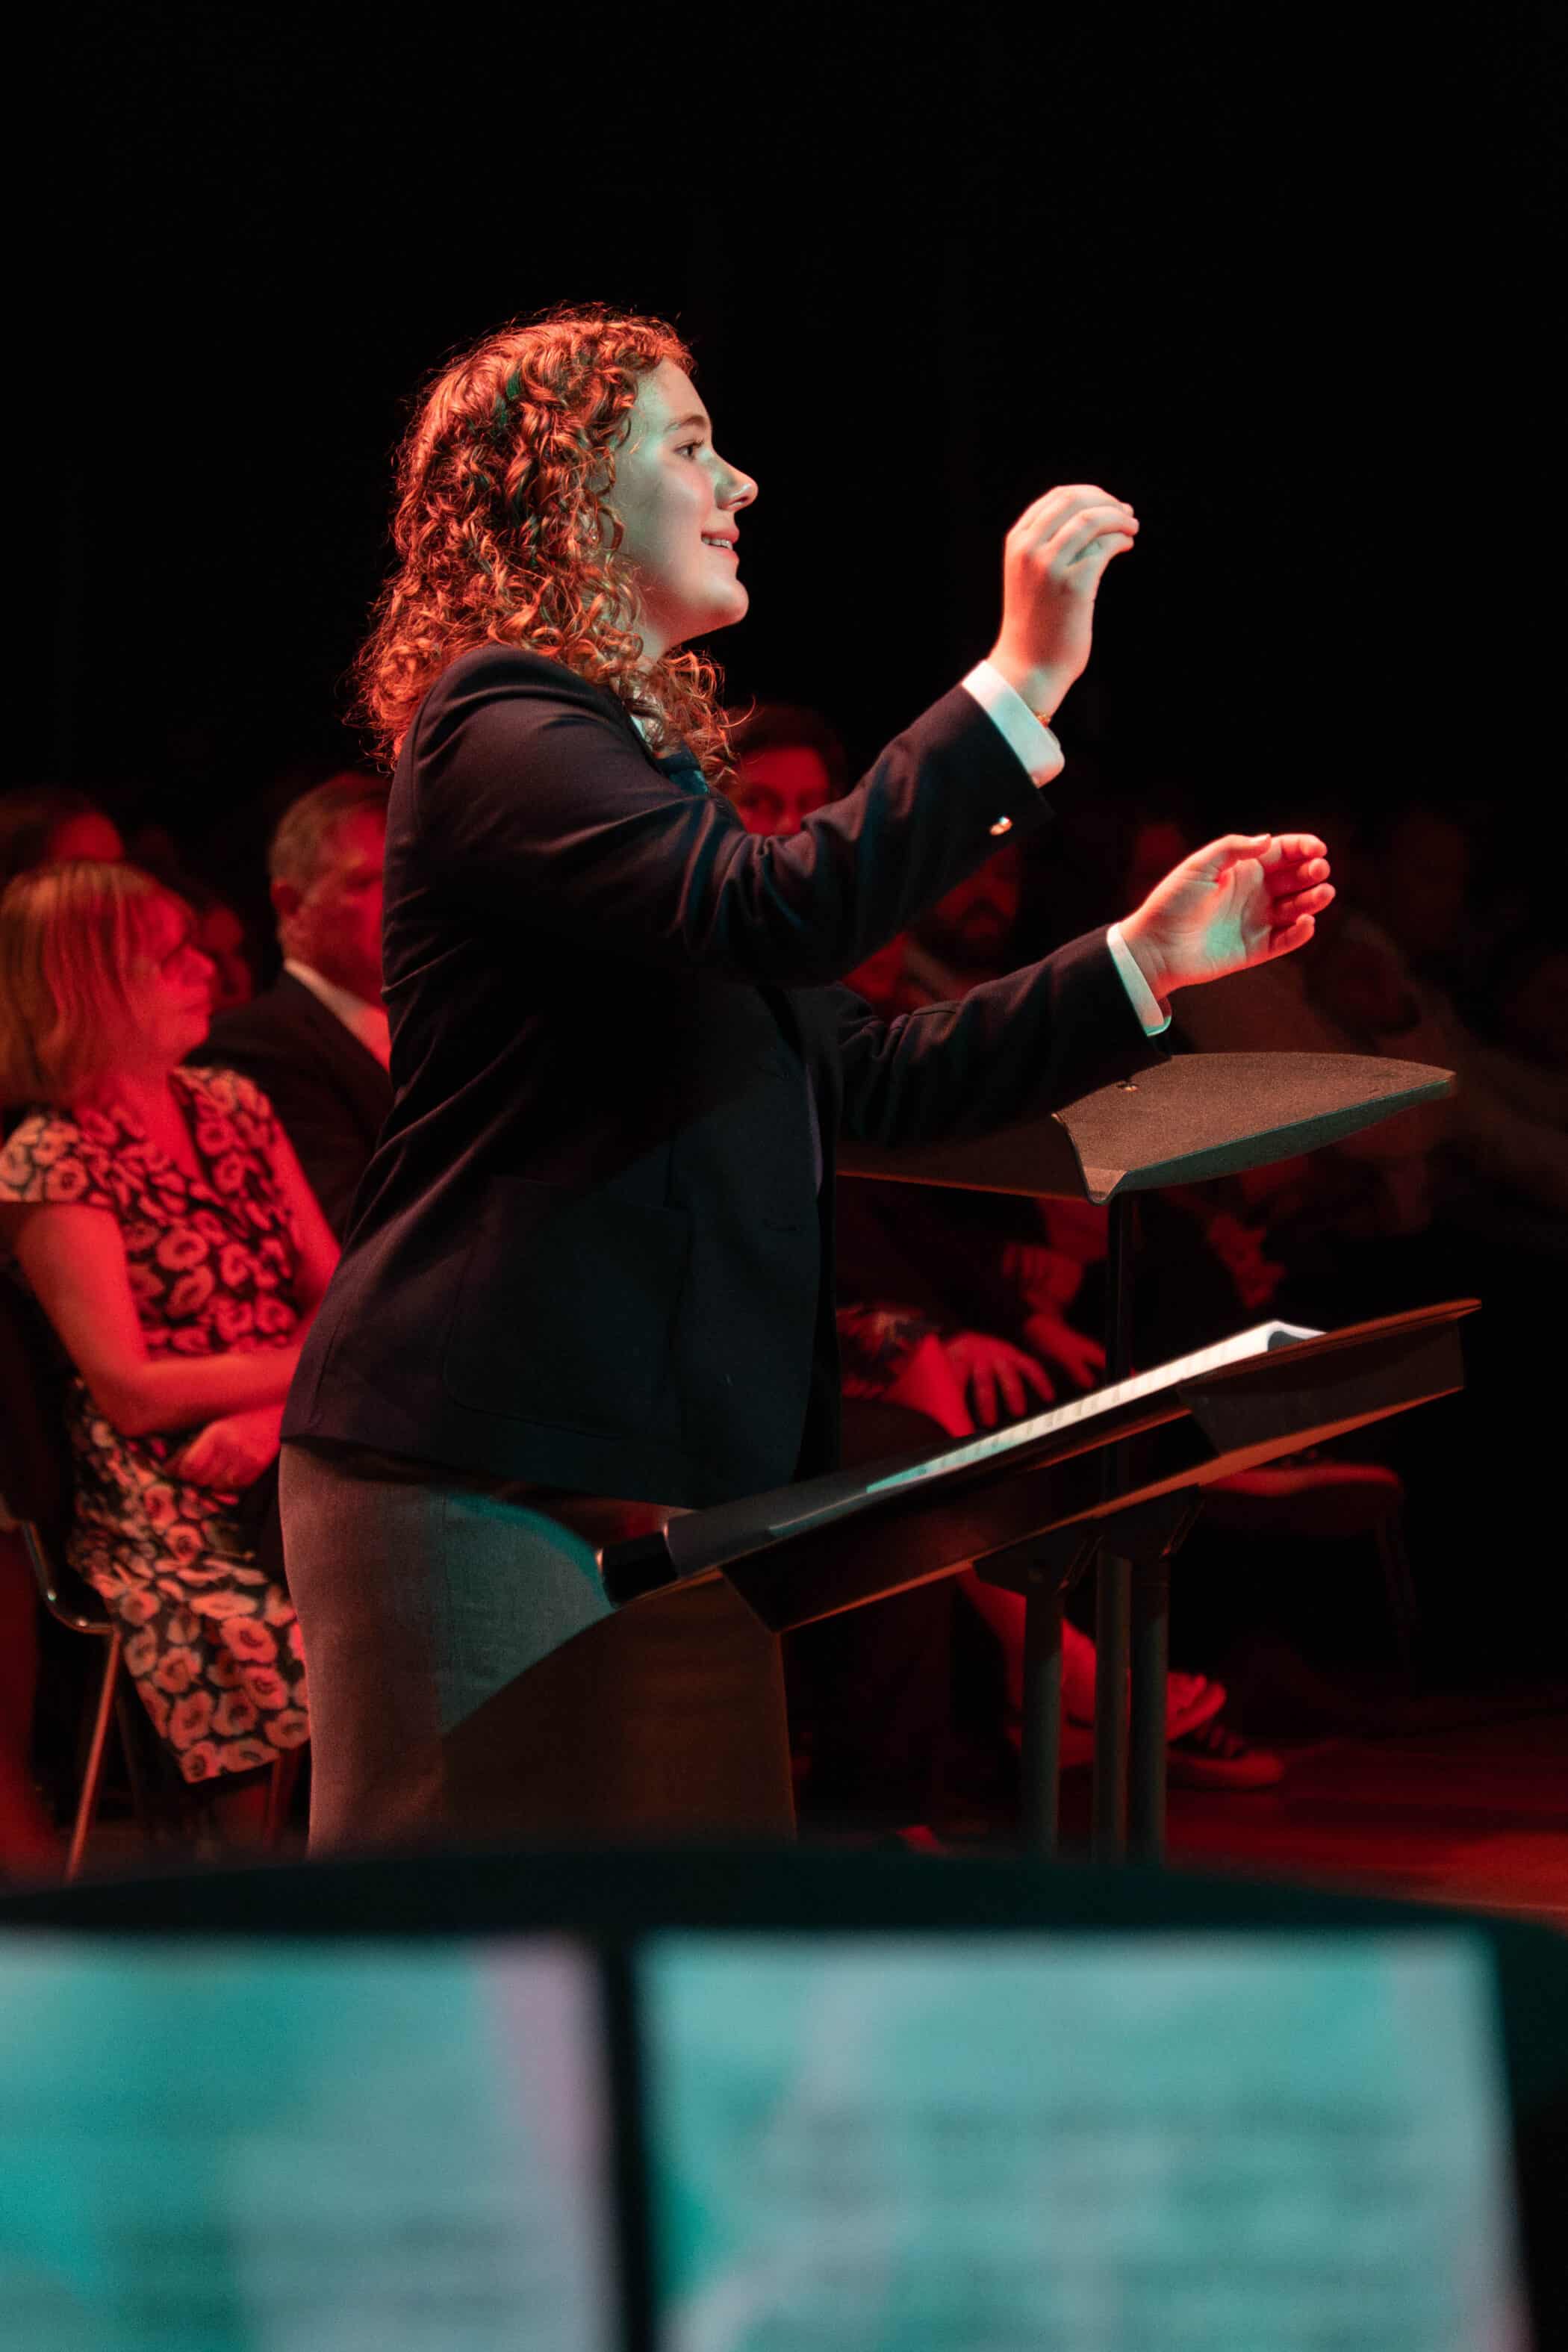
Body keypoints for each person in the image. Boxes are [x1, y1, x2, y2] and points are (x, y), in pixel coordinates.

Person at [279, 303, 1334, 1852]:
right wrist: (1020, 682)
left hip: (667, 1489)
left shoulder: (627, 781)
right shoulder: (499, 721)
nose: (741, 483)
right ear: (572, 490)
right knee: (450, 2000)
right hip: (476, 1468)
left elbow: (868, 1077)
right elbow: (788, 911)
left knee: (679, 1984)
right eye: (692, 446)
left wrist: (1144, 965)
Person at [0, 864, 337, 1840]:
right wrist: (305, 1375)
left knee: (412, 1564)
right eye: (170, 956)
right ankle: (252, 1898)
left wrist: (275, 1416)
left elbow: (342, 1298)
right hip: (159, 1487)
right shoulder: (47, 1156)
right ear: (85, 989)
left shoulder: (234, 1101)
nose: (206, 969)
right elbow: (134, 1391)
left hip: (286, 1437)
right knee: (260, 1629)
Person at [203, 776, 393, 1238]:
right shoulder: (254, 1046)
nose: (403, 902)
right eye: (369, 881)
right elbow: (361, 1228)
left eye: (412, 877)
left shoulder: (439, 1020)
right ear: (291, 904)